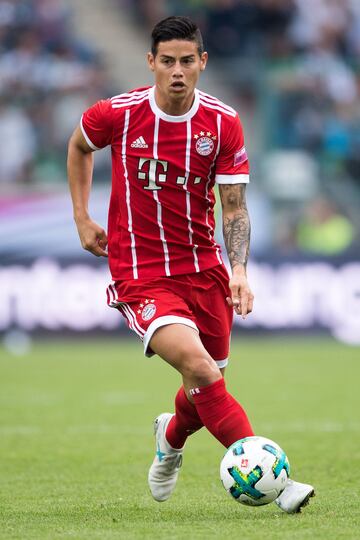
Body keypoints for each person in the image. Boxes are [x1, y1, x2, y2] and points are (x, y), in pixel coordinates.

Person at [67, 15, 314, 513]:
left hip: (204, 270)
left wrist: (238, 270)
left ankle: (170, 437)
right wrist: (82, 217)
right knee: (201, 368)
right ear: (151, 63)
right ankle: (278, 483)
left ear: (202, 63)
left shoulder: (223, 122)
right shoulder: (118, 113)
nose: (176, 71)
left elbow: (235, 207)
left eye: (186, 61)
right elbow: (78, 147)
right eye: (167, 61)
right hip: (140, 272)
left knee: (205, 384)